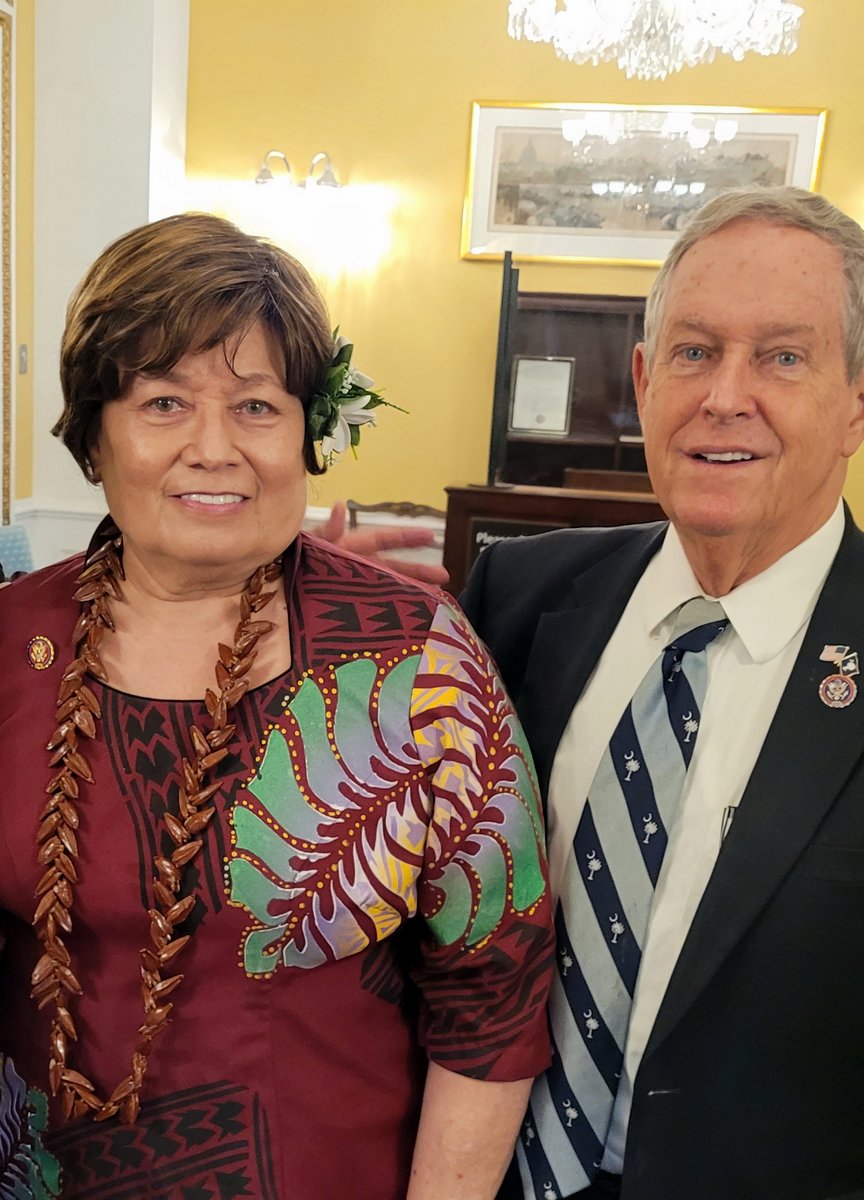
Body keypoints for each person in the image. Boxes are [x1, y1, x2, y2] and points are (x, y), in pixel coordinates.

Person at [458, 187, 864, 1199]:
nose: (724, 396)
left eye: (782, 357)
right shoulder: (517, 599)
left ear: (863, 400)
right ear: (643, 380)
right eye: (693, 352)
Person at [0, 212, 554, 1200]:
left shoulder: (414, 658)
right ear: (96, 432)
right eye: (163, 403)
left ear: (310, 431)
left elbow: (496, 994)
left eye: (256, 407)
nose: (214, 450)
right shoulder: (8, 647)